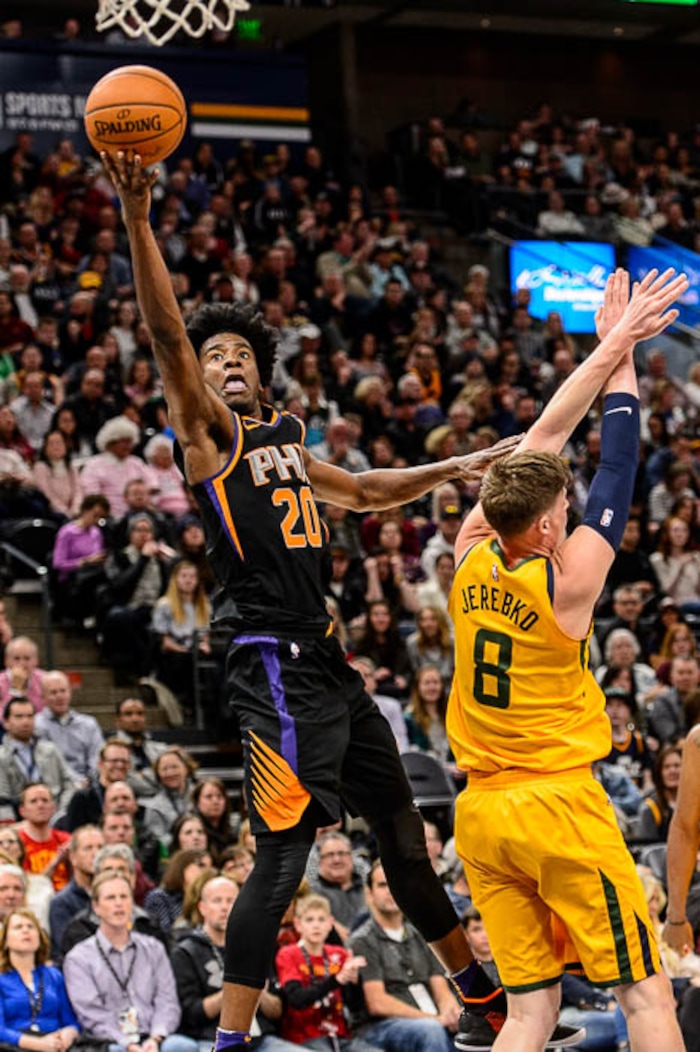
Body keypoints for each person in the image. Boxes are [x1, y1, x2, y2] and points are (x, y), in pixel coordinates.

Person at [102, 149, 521, 1052]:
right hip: (269, 665)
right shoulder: (207, 437)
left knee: (406, 839)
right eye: (214, 356)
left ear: (263, 370)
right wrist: (137, 219)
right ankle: (236, 1040)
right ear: (200, 381)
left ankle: (480, 995)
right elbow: (168, 336)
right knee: (286, 857)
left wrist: (454, 466)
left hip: (329, 661)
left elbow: (367, 492)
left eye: (241, 353)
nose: (226, 362)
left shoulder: (286, 442)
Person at [446, 267, 688, 1051]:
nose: (567, 509)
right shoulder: (570, 586)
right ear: (549, 528)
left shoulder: (468, 551)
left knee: (529, 1012)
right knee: (646, 993)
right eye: (561, 508)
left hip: (482, 814)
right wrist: (620, 356)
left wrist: (614, 343)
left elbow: (541, 441)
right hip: (557, 806)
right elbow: (616, 464)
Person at [63, 870, 199, 1052]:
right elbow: (91, 1014)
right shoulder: (79, 958)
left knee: (183, 1047)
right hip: (109, 1041)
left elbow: (167, 1001)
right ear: (96, 907)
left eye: (124, 897)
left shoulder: (154, 948)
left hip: (153, 1037)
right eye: (111, 898)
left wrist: (156, 1038)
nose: (119, 903)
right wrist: (128, 1044)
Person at [349, 861, 460, 1052]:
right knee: (431, 1031)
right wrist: (434, 1019)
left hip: (431, 1018)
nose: (390, 891)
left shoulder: (422, 934)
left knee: (475, 1026)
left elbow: (440, 987)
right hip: (382, 1026)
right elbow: (377, 1003)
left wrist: (451, 1013)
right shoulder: (362, 940)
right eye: (383, 885)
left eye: (394, 884)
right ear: (370, 894)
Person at [275, 892, 377, 1051]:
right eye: (309, 920)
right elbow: (297, 999)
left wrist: (354, 982)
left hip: (341, 1035)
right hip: (303, 1037)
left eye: (321, 919)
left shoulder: (339, 953)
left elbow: (356, 1007)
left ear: (330, 923)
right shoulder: (288, 954)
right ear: (298, 924)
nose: (316, 925)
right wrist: (336, 980)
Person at [0, 907, 80, 1051]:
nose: (26, 930)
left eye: (31, 927)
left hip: (55, 1045)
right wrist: (38, 1044)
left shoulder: (54, 975)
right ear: (5, 941)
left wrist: (68, 1033)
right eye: (18, 927)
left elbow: (71, 1022)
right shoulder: (1, 979)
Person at [0, 700, 77, 816]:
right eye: (19, 717)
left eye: (30, 716)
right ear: (6, 722)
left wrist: (62, 814)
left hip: (56, 817)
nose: (26, 722)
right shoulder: (1, 757)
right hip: (17, 822)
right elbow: (3, 798)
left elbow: (69, 785)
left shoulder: (50, 750)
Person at [34, 671, 104, 780]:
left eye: (63, 691)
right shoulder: (35, 725)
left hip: (90, 783)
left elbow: (97, 758)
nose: (59, 696)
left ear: (70, 692)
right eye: (53, 692)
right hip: (55, 784)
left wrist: (91, 780)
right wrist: (77, 781)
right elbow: (48, 765)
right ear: (43, 696)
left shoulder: (89, 724)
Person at [48, 825, 103, 960]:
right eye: (88, 848)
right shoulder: (61, 903)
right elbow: (66, 950)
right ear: (73, 857)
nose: (95, 854)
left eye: (100, 848)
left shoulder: (116, 896)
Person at [637, 744, 682, 842]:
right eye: (666, 767)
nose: (672, 771)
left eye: (677, 766)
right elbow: (648, 852)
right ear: (659, 772)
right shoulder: (649, 809)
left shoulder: (695, 805)